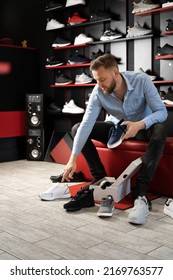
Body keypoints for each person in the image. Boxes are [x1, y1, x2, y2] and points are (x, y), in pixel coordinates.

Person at [61, 53, 168, 224]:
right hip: (118, 127)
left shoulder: (141, 80)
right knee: (77, 128)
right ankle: (100, 178)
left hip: (143, 126)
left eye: (102, 79)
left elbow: (161, 112)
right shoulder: (98, 91)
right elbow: (86, 124)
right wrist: (72, 159)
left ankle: (140, 192)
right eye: (96, 80)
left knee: (160, 129)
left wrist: (139, 125)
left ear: (116, 72)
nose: (99, 84)